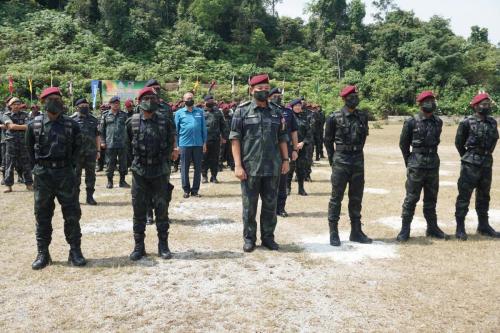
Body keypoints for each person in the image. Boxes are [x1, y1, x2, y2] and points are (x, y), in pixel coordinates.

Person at [26, 87, 85, 269]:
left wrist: (72, 172)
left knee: (72, 214)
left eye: (58, 98)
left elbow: (78, 151)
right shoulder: (34, 125)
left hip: (65, 174)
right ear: (43, 102)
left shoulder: (71, 125)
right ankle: (43, 252)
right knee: (42, 215)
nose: (55, 101)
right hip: (43, 175)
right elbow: (29, 152)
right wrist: (38, 171)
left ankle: (75, 251)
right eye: (51, 98)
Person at [230, 74, 289, 252]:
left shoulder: (277, 112)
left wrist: (285, 159)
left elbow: (282, 137)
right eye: (259, 89)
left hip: (273, 166)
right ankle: (249, 238)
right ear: (251, 90)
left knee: (270, 206)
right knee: (249, 206)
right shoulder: (242, 111)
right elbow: (235, 139)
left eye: (266, 88)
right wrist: (238, 165)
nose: (263, 91)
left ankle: (268, 238)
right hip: (250, 167)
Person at [127, 87, 175, 260]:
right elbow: (127, 147)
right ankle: (139, 246)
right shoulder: (132, 122)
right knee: (139, 209)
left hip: (160, 171)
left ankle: (163, 245)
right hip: (139, 172)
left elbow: (171, 143)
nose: (150, 101)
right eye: (146, 98)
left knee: (162, 209)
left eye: (153, 98)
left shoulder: (165, 121)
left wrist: (165, 162)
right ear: (139, 102)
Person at [397, 91, 449, 242]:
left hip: (433, 163)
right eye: (426, 101)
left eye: (432, 101)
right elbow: (403, 144)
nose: (430, 103)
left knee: (431, 198)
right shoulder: (411, 122)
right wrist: (410, 161)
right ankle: (405, 229)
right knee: (411, 197)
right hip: (417, 163)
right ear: (420, 104)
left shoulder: (438, 122)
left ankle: (432, 228)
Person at [324, 85, 372, 247]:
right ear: (344, 99)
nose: (354, 99)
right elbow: (327, 141)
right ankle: (333, 232)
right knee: (336, 197)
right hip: (341, 160)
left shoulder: (362, 116)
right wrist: (333, 159)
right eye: (351, 97)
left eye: (356, 96)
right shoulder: (334, 117)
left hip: (358, 159)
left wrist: (356, 151)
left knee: (356, 197)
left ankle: (356, 231)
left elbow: (364, 138)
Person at [454, 92, 500, 240]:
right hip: (470, 163)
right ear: (476, 106)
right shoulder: (466, 122)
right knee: (464, 195)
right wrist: (468, 156)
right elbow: (459, 142)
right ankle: (460, 228)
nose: (486, 107)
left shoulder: (492, 122)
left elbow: (494, 140)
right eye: (483, 104)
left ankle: (483, 225)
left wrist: (486, 154)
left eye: (488, 104)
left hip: (486, 162)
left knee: (484, 195)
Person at [174, 92, 207, 198]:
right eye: (188, 98)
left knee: (198, 168)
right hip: (184, 144)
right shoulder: (179, 113)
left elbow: (203, 128)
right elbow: (176, 130)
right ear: (184, 100)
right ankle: (186, 190)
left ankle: (195, 190)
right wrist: (176, 145)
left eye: (191, 98)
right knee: (184, 168)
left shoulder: (200, 112)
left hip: (198, 144)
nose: (190, 99)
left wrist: (204, 142)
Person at [71, 98, 100, 205]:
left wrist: (98, 150)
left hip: (91, 153)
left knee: (91, 176)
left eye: (86, 105)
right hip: (76, 154)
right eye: (82, 106)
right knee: (75, 176)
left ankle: (90, 197)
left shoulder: (94, 119)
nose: (84, 107)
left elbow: (97, 136)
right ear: (77, 107)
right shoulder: (72, 120)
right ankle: (75, 198)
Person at [2, 97, 33, 193]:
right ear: (10, 106)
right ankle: (8, 185)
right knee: (9, 164)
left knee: (26, 164)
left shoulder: (26, 114)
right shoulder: (6, 115)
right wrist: (22, 127)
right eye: (14, 104)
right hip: (11, 142)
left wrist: (15, 127)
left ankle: (29, 184)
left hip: (23, 142)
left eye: (18, 104)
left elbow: (30, 126)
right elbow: (11, 126)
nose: (16, 105)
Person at [100, 96, 129, 189]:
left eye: (118, 103)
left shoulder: (124, 115)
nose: (116, 105)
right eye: (114, 103)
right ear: (110, 104)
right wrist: (103, 141)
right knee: (110, 163)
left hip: (122, 143)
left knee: (123, 163)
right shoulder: (105, 115)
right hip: (110, 143)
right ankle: (110, 181)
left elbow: (128, 129)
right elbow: (101, 130)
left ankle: (122, 181)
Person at [288, 98, 312, 196]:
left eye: (299, 106)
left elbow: (309, 133)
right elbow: (284, 133)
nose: (298, 107)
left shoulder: (304, 118)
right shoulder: (288, 118)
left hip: (302, 148)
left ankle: (301, 189)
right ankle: (287, 187)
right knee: (290, 168)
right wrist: (293, 145)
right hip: (290, 148)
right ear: (292, 107)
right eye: (295, 106)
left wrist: (303, 143)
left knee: (301, 169)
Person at [202, 95, 226, 184]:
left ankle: (214, 176)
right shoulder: (200, 112)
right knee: (204, 158)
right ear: (205, 102)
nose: (211, 102)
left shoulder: (218, 112)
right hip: (204, 140)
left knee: (215, 158)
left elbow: (223, 125)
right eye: (209, 101)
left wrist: (224, 136)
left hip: (215, 139)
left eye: (212, 100)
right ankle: (204, 176)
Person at [96, 103, 110, 172]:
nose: (103, 111)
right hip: (100, 137)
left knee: (109, 153)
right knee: (100, 153)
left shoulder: (109, 116)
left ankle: (109, 166)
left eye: (105, 109)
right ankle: (100, 166)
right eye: (102, 109)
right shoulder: (98, 117)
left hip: (109, 137)